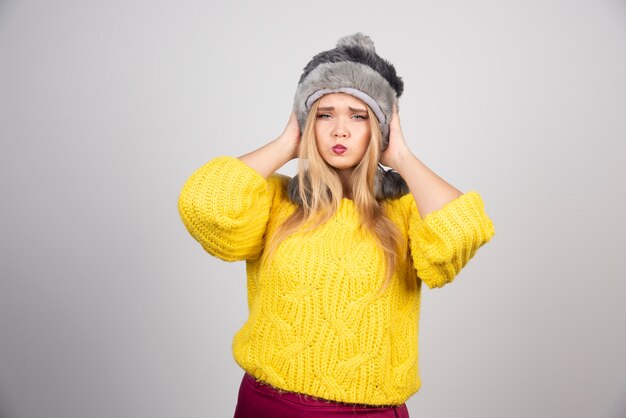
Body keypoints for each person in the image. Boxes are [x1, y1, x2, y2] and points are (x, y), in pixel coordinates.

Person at [178, 33, 495, 418]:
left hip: (366, 412)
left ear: (379, 128)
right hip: (267, 405)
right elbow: (203, 205)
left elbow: (462, 233)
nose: (339, 130)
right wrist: (285, 143)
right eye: (325, 114)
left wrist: (403, 156)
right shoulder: (276, 201)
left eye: (358, 116)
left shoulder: (406, 210)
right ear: (306, 122)